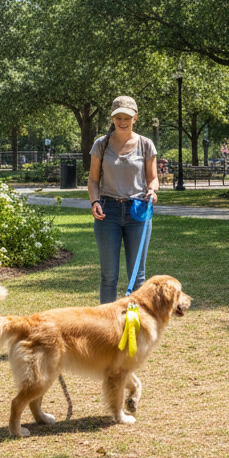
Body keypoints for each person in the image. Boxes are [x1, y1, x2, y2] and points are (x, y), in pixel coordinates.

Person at [88, 95, 159, 303]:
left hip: (138, 211)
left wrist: (152, 190)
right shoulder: (101, 145)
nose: (122, 121)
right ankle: (106, 329)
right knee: (108, 276)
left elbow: (152, 178)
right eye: (118, 117)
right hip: (107, 212)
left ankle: (136, 325)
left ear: (135, 118)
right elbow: (93, 180)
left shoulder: (146, 145)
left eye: (126, 117)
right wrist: (94, 202)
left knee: (138, 277)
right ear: (112, 118)